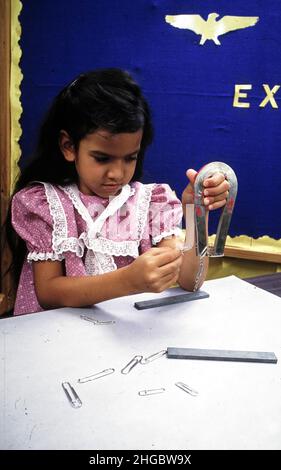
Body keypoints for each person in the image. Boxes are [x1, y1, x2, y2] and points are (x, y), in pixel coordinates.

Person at [5, 68, 229, 315]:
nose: (117, 173)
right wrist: (128, 281)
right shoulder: (47, 204)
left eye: (130, 158)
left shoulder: (150, 203)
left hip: (127, 341)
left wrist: (196, 211)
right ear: (68, 146)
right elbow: (49, 293)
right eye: (102, 158)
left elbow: (190, 282)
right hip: (59, 338)